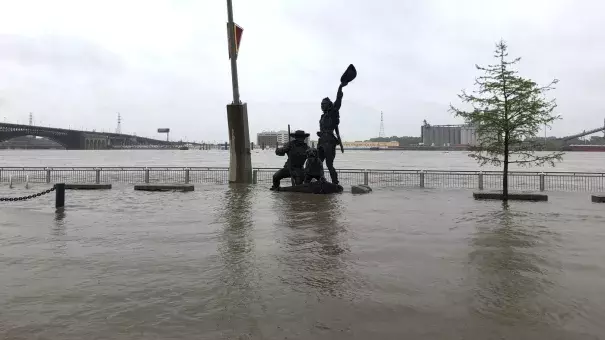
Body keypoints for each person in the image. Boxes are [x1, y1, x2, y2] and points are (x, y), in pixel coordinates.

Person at [317, 81, 348, 185]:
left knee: (329, 164)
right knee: (318, 162)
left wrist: (340, 87)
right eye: (321, 104)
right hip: (321, 140)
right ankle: (320, 179)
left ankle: (335, 183)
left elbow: (338, 100)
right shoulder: (322, 117)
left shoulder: (333, 112)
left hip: (329, 141)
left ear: (328, 105)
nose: (321, 106)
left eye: (323, 104)